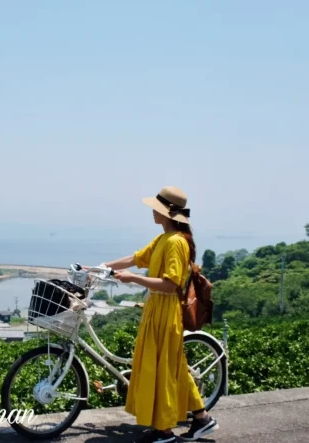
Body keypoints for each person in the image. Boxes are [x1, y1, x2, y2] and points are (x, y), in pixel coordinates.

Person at [100, 186, 218, 443]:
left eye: (157, 207)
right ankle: (202, 418)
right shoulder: (164, 238)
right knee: (172, 367)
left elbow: (171, 284)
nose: (152, 211)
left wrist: (134, 279)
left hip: (165, 311)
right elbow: (135, 258)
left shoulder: (175, 242)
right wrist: (98, 267)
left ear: (168, 212)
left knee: (162, 369)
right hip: (157, 310)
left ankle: (164, 431)